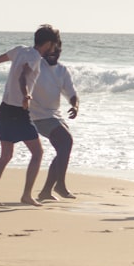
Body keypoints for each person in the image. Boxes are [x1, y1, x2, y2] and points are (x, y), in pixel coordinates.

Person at [0, 24, 60, 207]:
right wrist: (26, 95)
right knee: (38, 153)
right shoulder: (34, 58)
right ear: (47, 43)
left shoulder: (19, 50)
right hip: (18, 112)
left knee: (6, 155)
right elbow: (23, 76)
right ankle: (26, 195)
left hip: (4, 110)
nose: (54, 48)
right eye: (54, 44)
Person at [30, 40, 80, 202]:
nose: (52, 54)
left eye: (56, 52)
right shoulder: (37, 65)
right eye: (49, 51)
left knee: (63, 148)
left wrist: (75, 106)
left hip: (54, 115)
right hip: (37, 116)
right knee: (66, 141)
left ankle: (46, 191)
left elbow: (72, 93)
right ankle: (60, 185)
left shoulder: (62, 70)